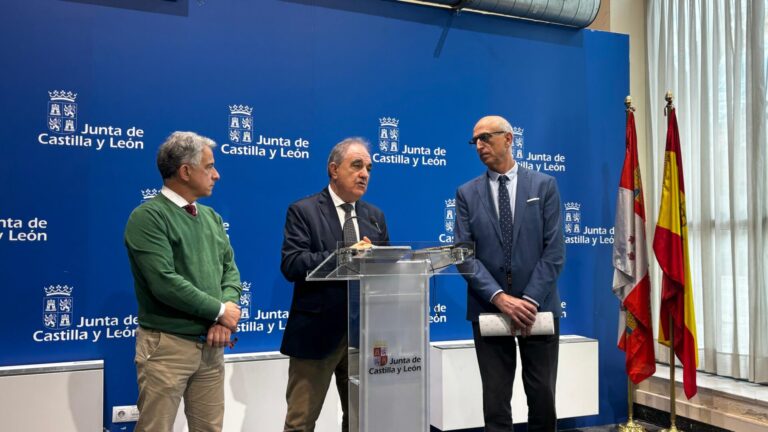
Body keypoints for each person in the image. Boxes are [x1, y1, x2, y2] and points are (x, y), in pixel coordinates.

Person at [124, 131, 242, 432]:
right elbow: (163, 282)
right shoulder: (148, 217)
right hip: (167, 347)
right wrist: (218, 310)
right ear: (185, 171)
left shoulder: (212, 217)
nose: (216, 174)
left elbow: (229, 270)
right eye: (209, 166)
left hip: (212, 344)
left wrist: (223, 317)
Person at [455, 116, 565, 432]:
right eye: (474, 141)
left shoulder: (544, 186)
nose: (479, 146)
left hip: (538, 309)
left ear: (509, 138)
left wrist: (527, 300)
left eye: (486, 138)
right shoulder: (466, 193)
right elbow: (464, 255)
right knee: (495, 404)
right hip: (489, 309)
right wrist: (502, 299)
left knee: (543, 399)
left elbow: (554, 251)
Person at [280, 137, 390, 432]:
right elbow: (292, 264)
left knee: (359, 420)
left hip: (363, 336)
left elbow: (384, 272)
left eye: (368, 167)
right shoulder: (303, 211)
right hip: (316, 334)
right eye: (356, 166)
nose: (364, 173)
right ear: (333, 170)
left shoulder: (375, 217)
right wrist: (344, 255)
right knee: (300, 422)